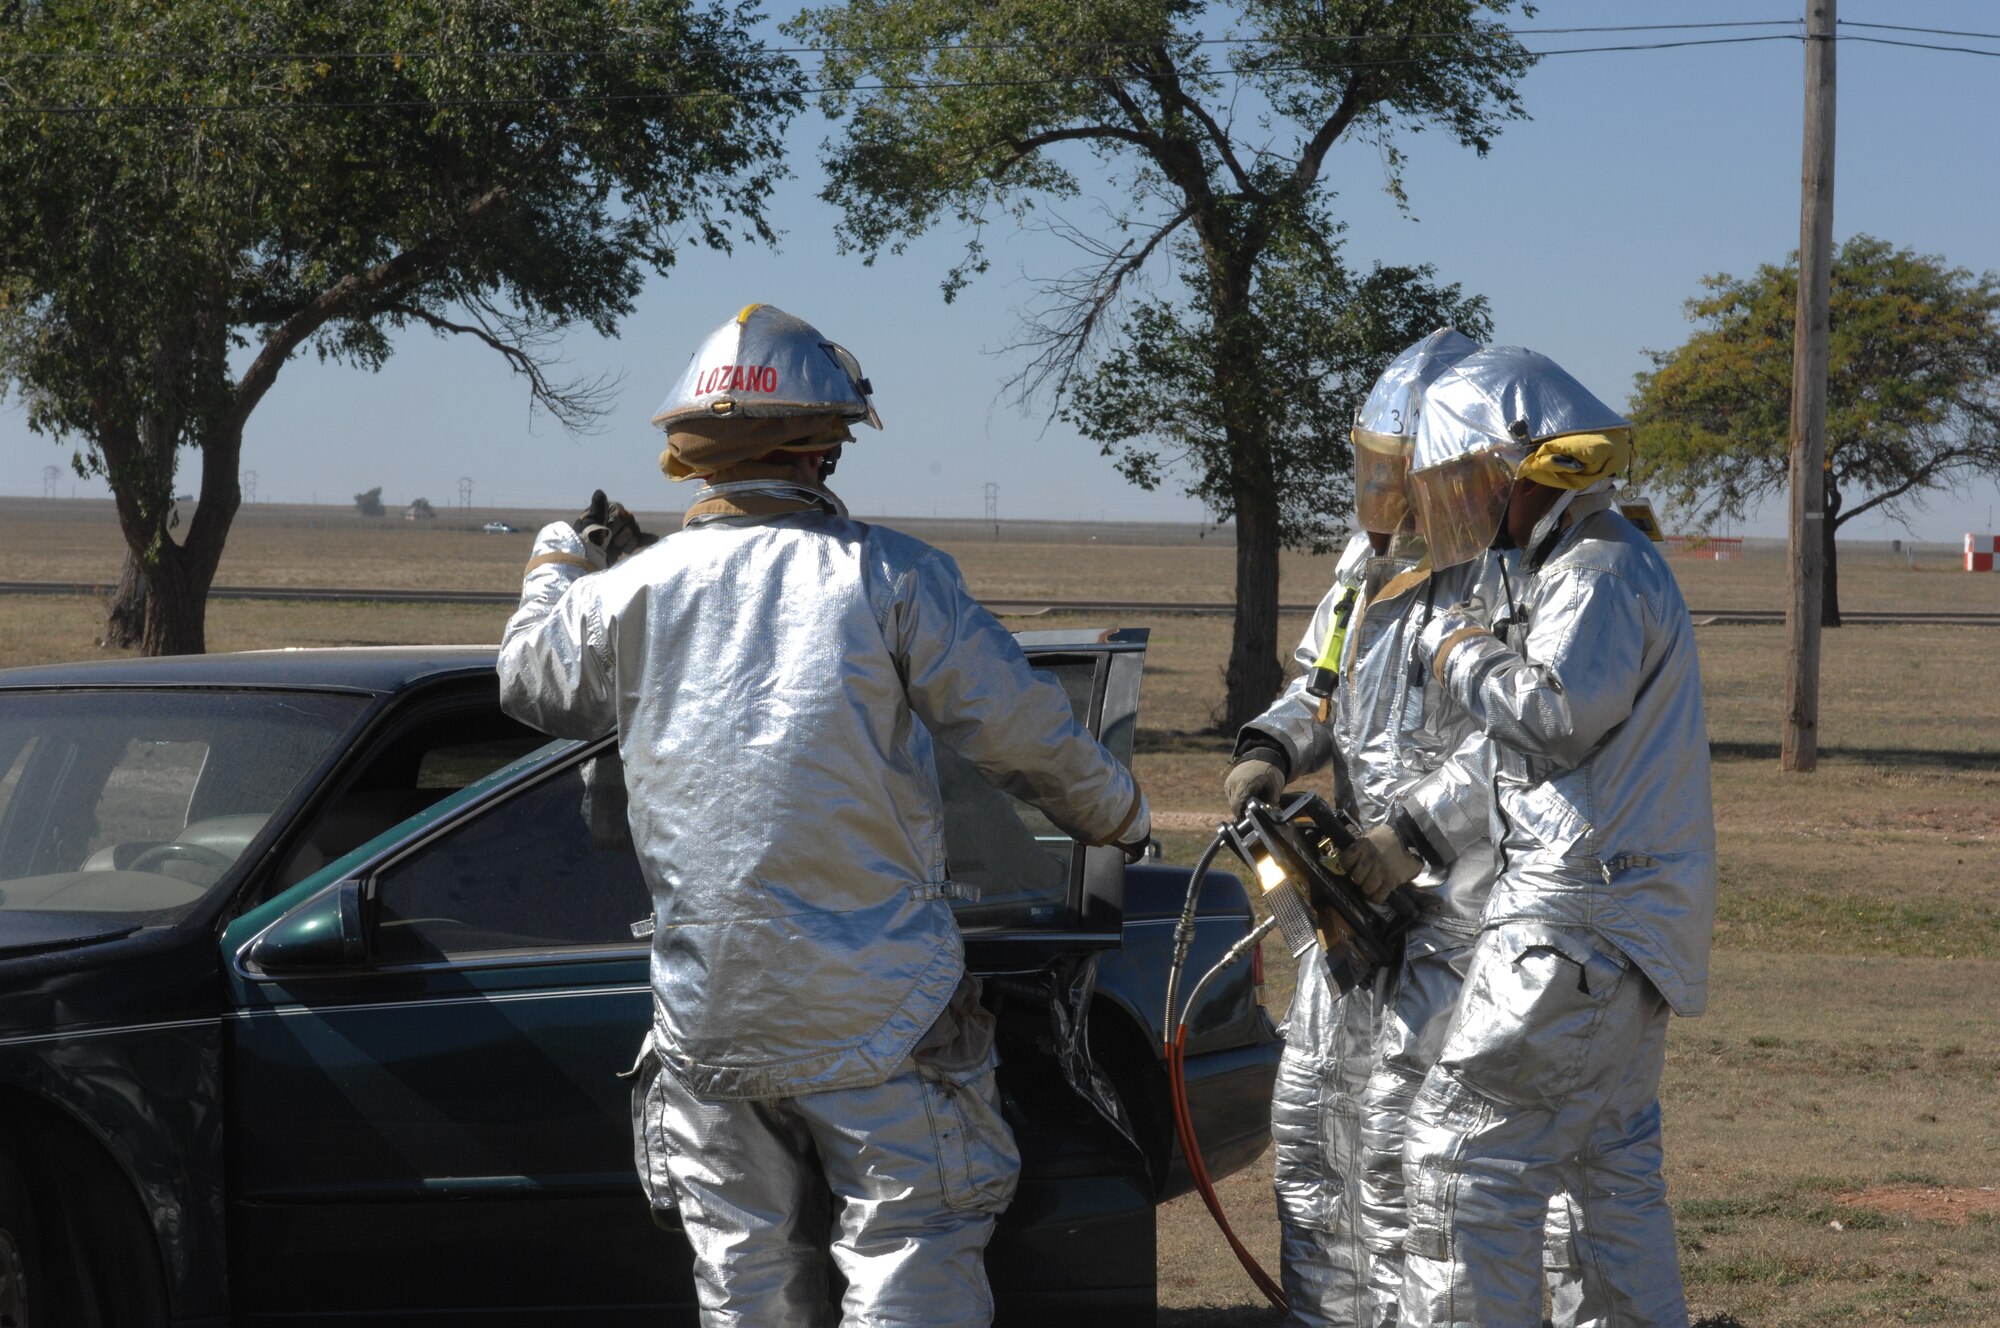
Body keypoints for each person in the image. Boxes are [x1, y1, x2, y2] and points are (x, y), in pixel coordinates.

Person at [497, 303, 1151, 1327]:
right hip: (879, 1004)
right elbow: (1021, 729)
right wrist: (1115, 809)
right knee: (912, 1246)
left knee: (744, 1278)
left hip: (707, 1016)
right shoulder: (888, 574)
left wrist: (554, 560)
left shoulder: (628, 592)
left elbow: (528, 675)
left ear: (692, 454)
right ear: (819, 446)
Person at [1395, 345, 1716, 1327]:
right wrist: (1403, 831)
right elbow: (1530, 764)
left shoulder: (1595, 568)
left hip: (1571, 927)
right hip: (1609, 933)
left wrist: (1455, 654)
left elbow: (1556, 712)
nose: (1455, 511)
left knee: (1458, 1150)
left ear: (1510, 470)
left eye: (1458, 485)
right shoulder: (1581, 567)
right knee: (1601, 1172)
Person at [1223, 328, 1509, 1327]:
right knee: (1310, 1143)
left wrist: (1415, 838)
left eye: (1396, 473)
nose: (1377, 493)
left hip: (1459, 923)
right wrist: (1269, 744)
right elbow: (1321, 681)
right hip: (1348, 919)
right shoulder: (1365, 563)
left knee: (1403, 1158)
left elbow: (1515, 745)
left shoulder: (1508, 578)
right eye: (1370, 468)